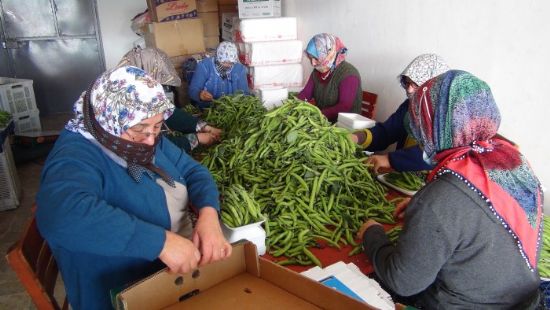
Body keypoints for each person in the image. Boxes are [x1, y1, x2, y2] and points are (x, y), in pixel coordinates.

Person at [36, 66, 232, 309]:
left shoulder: (142, 139)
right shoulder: (76, 156)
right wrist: (159, 242)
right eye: (140, 129)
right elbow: (61, 215)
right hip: (123, 291)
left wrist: (209, 214)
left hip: (166, 274)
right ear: (110, 119)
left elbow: (193, 171)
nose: (151, 139)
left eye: (158, 126)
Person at [358, 70, 543, 308]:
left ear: (436, 126)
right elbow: (474, 220)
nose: (420, 136)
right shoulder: (514, 161)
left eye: (421, 126)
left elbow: (403, 281)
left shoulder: (441, 198)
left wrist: (373, 236)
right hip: (523, 300)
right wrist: (427, 214)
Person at [352, 53, 449, 173]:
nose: (409, 89)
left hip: (431, 182)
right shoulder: (410, 106)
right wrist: (357, 138)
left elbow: (436, 154)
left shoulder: (449, 117)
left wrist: (390, 159)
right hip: (401, 173)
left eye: (416, 84)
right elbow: (387, 132)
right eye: (407, 83)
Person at [119, 47, 222, 153]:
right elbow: (156, 148)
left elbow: (167, 111)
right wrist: (196, 139)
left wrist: (204, 127)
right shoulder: (127, 109)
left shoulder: (142, 93)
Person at [297, 33, 362, 123]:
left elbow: (344, 106)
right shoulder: (317, 72)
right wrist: (294, 106)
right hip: (323, 122)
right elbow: (306, 94)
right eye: (310, 58)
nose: (313, 63)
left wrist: (317, 115)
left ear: (329, 54)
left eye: (316, 58)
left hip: (345, 127)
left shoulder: (348, 74)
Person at [188, 41, 249, 109]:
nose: (227, 65)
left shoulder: (239, 69)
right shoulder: (204, 66)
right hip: (207, 109)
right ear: (218, 57)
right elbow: (193, 90)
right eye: (224, 62)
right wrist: (199, 94)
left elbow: (245, 93)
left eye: (231, 63)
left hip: (232, 110)